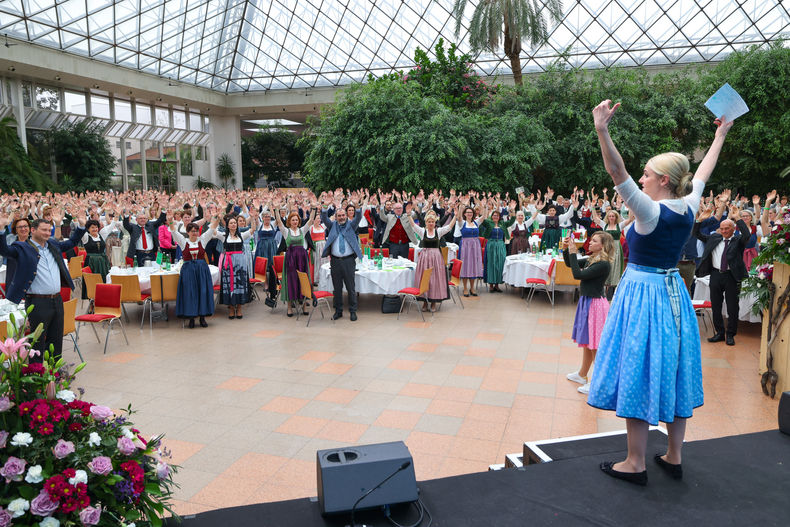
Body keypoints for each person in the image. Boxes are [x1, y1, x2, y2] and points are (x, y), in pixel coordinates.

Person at [588, 99, 732, 485]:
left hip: (643, 294)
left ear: (663, 181)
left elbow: (616, 171)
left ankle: (635, 463)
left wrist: (603, 129)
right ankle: (673, 455)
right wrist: (720, 135)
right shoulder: (688, 205)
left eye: (647, 174)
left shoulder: (649, 213)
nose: (642, 177)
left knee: (639, 365)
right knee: (675, 365)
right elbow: (703, 170)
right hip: (674, 295)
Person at [0, 211, 86, 362]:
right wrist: (1, 228)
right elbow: (4, 250)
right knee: (37, 343)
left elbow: (71, 243)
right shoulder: (22, 248)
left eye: (49, 230)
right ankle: (37, 376)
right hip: (37, 302)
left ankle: (54, 375)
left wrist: (81, 226)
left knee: (56, 341)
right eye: (44, 230)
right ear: (33, 230)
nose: (47, 233)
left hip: (57, 301)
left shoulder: (52, 244)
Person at [562, 231, 614, 394]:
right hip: (588, 301)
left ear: (602, 246)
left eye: (594, 241)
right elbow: (571, 265)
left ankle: (597, 382)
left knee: (595, 345)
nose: (590, 243)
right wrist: (566, 250)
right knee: (587, 342)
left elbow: (578, 274)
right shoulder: (593, 259)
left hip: (596, 305)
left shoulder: (603, 263)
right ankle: (582, 374)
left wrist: (572, 252)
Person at [693, 203, 749, 346]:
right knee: (716, 306)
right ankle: (719, 333)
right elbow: (696, 234)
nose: (724, 231)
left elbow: (747, 234)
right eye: (722, 228)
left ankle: (730, 334)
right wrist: (699, 220)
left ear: (733, 229)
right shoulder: (714, 238)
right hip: (716, 275)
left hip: (732, 276)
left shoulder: (738, 240)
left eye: (727, 229)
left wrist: (737, 218)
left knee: (732, 307)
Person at [169, 213, 219, 328]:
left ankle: (202, 317)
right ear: (188, 232)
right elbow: (173, 231)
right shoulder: (183, 241)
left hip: (201, 269)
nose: (195, 233)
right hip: (188, 270)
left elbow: (212, 227)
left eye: (196, 231)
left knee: (202, 292)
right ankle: (191, 317)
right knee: (190, 293)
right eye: (192, 231)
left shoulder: (203, 240)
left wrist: (218, 216)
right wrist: (170, 220)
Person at [407, 208, 458, 312]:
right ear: (426, 222)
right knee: (425, 278)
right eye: (429, 222)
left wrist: (456, 216)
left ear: (435, 223)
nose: (431, 223)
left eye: (433, 222)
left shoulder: (438, 231)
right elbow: (413, 225)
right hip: (425, 258)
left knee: (435, 280)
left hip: (436, 258)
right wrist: (408, 215)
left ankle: (433, 302)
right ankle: (425, 302)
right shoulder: (422, 231)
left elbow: (449, 227)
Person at [322, 198, 364, 321]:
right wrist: (325, 206)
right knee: (337, 287)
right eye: (339, 215)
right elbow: (324, 218)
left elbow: (358, 217)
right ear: (335, 217)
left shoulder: (351, 225)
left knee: (351, 287)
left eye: (343, 215)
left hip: (348, 260)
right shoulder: (332, 225)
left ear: (346, 215)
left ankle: (352, 311)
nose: (341, 217)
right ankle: (338, 311)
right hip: (335, 261)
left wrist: (356, 205)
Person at [273, 198, 316, 317]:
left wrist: (313, 208)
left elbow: (311, 220)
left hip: (302, 258)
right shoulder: (286, 232)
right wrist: (276, 209)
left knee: (303, 280)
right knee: (290, 280)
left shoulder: (302, 230)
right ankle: (289, 307)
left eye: (296, 220)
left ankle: (303, 306)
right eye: (293, 220)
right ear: (289, 221)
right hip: (290, 259)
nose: (295, 221)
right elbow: (279, 222)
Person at [216, 214, 254, 319]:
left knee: (240, 284)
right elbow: (213, 232)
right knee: (229, 284)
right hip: (228, 262)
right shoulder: (223, 235)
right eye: (231, 223)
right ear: (227, 225)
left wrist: (253, 217)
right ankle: (231, 308)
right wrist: (216, 217)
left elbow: (253, 229)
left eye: (234, 223)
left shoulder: (241, 235)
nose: (233, 224)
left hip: (240, 262)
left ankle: (240, 308)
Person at [591, 208, 633, 298]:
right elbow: (595, 218)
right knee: (606, 265)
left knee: (615, 266)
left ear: (616, 217)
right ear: (608, 217)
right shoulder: (604, 225)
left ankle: (613, 288)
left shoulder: (620, 225)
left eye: (613, 216)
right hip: (606, 248)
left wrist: (630, 207)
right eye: (610, 216)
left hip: (616, 248)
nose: (611, 217)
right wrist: (593, 207)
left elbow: (630, 219)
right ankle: (605, 286)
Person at [480, 208, 514, 293]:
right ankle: (491, 285)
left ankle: (497, 285)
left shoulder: (502, 224)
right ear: (492, 217)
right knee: (491, 264)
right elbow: (482, 221)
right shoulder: (488, 223)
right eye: (494, 215)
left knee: (500, 264)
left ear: (499, 217)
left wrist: (512, 211)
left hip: (500, 245)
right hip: (491, 244)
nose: (495, 217)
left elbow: (511, 221)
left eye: (497, 215)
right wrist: (483, 208)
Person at [309, 215, 328, 285]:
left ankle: (324, 277)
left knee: (324, 262)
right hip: (316, 247)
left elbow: (331, 219)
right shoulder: (311, 228)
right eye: (317, 218)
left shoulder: (323, 226)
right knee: (317, 262)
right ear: (313, 220)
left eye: (319, 218)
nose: (319, 220)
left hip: (323, 246)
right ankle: (316, 279)